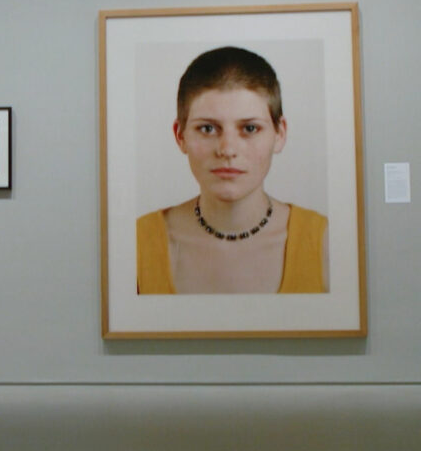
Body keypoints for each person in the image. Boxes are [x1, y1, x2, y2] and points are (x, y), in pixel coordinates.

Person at [136, 46, 328, 295]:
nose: (227, 150)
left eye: (249, 129)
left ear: (280, 134)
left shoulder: (324, 242)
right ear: (180, 135)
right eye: (207, 129)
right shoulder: (137, 244)